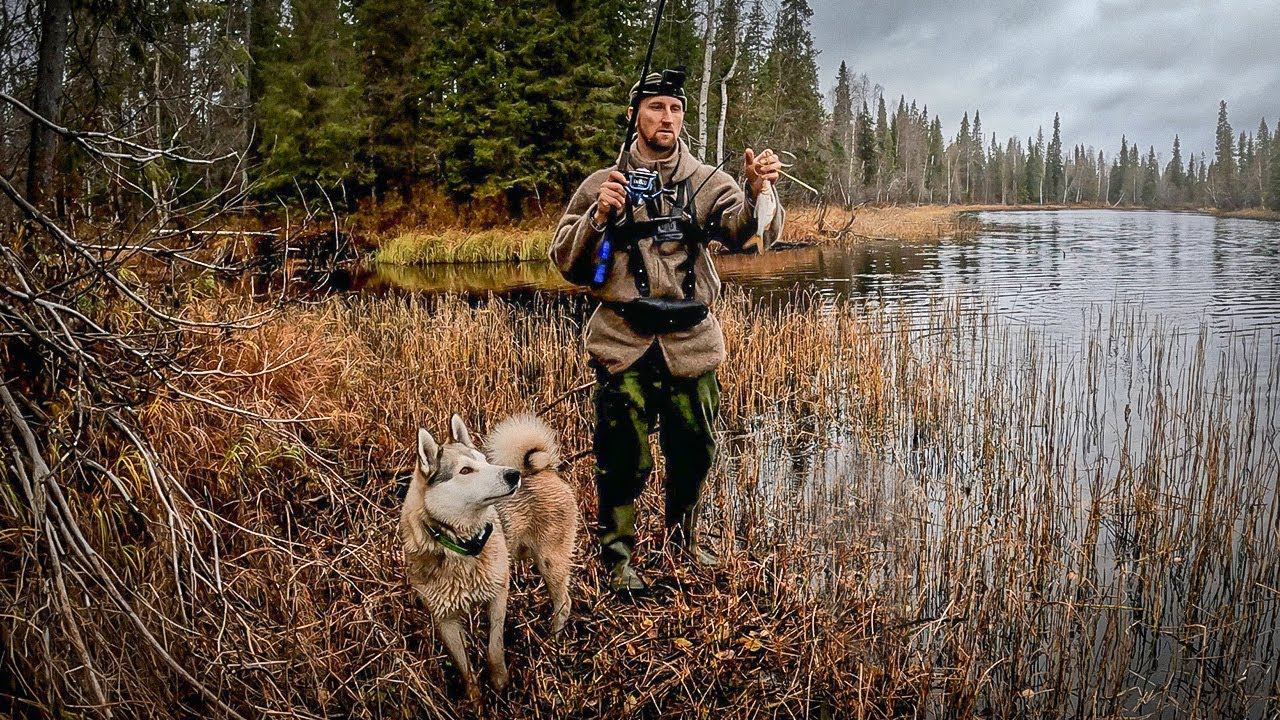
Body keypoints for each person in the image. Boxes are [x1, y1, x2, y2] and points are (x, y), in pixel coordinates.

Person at [549, 69, 784, 593]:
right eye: (656, 107)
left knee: (694, 449)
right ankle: (616, 557)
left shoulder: (706, 181)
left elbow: (748, 233)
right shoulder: (601, 182)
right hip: (624, 339)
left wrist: (758, 190)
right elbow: (566, 260)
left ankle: (684, 544)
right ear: (635, 115)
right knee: (621, 456)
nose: (667, 119)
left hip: (691, 343)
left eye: (675, 109)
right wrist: (597, 216)